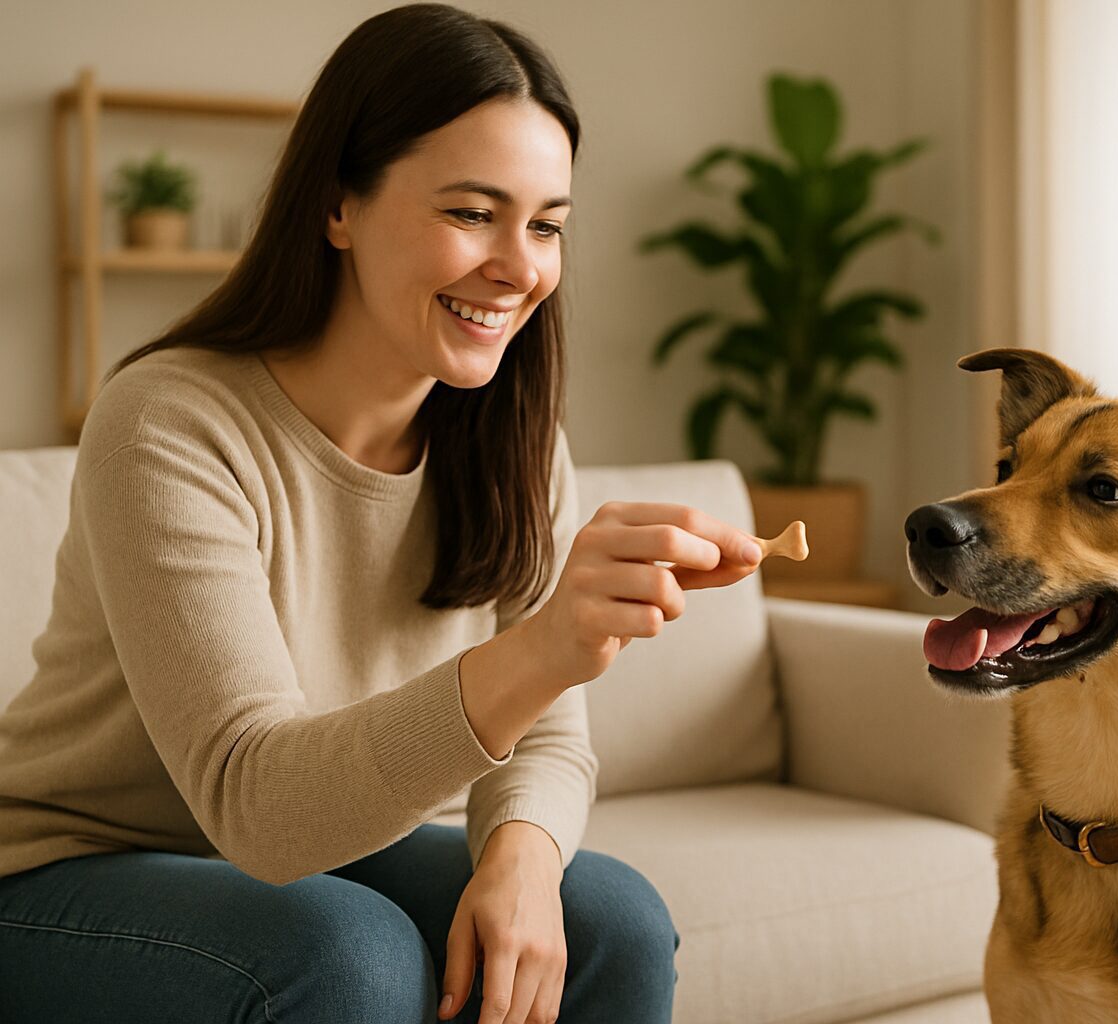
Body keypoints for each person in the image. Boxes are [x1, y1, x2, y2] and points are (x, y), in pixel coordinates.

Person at [0, 6, 763, 1022]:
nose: (518, 265)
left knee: (607, 916)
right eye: (470, 213)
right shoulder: (171, 421)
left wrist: (523, 858)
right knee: (346, 953)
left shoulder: (515, 439)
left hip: (330, 842)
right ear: (337, 205)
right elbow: (258, 808)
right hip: (69, 865)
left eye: (546, 225)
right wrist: (546, 646)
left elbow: (548, 741)